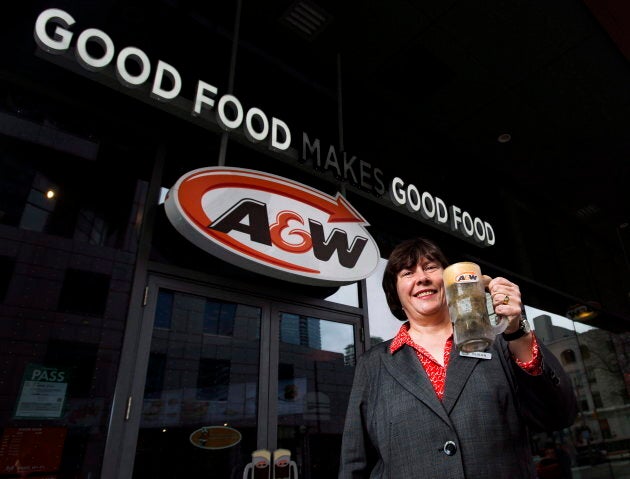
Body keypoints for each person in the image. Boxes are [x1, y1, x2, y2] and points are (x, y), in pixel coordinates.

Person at [338, 237, 577, 478]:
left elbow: (558, 415)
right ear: (395, 292)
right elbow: (355, 462)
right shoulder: (373, 365)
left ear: (450, 281)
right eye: (407, 273)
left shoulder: (500, 344)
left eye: (431, 267)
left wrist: (517, 331)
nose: (422, 278)